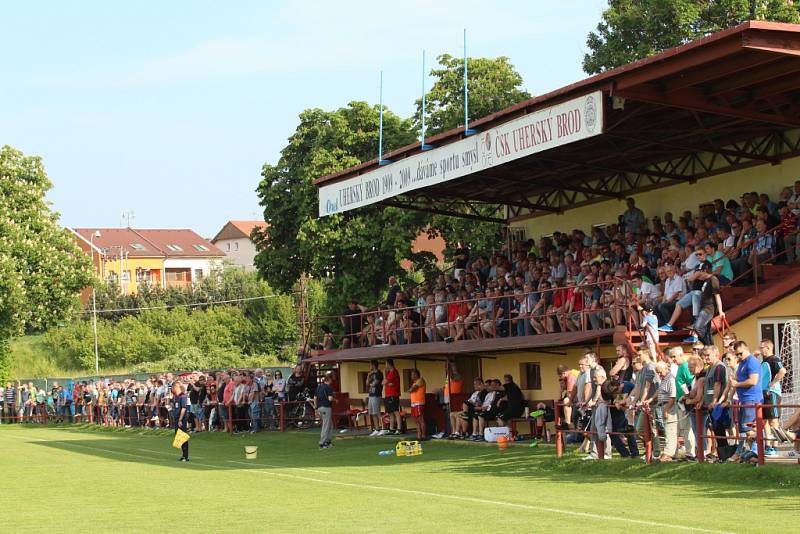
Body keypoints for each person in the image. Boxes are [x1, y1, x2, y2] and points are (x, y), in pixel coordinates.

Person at [729, 341, 763, 461]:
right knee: (745, 429)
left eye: (740, 353)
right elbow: (739, 379)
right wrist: (734, 380)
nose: (738, 356)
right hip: (744, 400)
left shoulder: (752, 361)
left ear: (746, 348)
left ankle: (758, 452)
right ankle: (752, 454)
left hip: (752, 398)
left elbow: (753, 381)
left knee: (750, 429)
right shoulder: (742, 362)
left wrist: (737, 383)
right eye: (736, 354)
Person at [760, 339, 786, 455]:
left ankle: (776, 446)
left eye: (762, 348)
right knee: (765, 421)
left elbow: (782, 371)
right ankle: (768, 445)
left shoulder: (774, 359)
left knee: (773, 421)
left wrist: (773, 383)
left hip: (772, 393)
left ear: (768, 348)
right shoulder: (763, 361)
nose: (760, 350)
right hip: (764, 393)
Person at [655, 361, 678, 462]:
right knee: (668, 430)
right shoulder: (664, 379)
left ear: (666, 369)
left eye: (660, 372)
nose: (659, 375)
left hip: (669, 407)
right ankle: (672, 453)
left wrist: (666, 410)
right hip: (663, 405)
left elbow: (672, 397)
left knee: (670, 430)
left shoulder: (670, 379)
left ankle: (668, 453)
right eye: (658, 373)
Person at [315, 372, 335, 449]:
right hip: (326, 407)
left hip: (319, 407)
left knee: (330, 425)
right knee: (326, 425)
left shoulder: (319, 387)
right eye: (331, 379)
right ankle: (322, 443)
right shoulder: (329, 387)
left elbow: (315, 398)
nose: (332, 381)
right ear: (329, 379)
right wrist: (334, 399)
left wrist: (316, 408)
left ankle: (328, 441)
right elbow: (330, 399)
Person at [382, 359, 402, 435]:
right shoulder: (389, 373)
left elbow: (384, 382)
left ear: (389, 364)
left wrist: (384, 374)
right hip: (388, 395)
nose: (385, 366)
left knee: (396, 411)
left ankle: (399, 428)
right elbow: (383, 383)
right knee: (390, 412)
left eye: (386, 364)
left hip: (393, 394)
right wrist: (387, 383)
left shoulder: (393, 371)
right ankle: (391, 428)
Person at [172, 382, 190, 462]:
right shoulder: (176, 397)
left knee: (183, 437)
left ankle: (186, 456)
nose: (172, 389)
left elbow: (183, 408)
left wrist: (180, 419)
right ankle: (183, 455)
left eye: (173, 387)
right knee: (178, 437)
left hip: (181, 419)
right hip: (176, 418)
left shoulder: (183, 396)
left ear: (176, 387)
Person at [408, 369, 427, 441]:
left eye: (413, 374)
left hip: (419, 402)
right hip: (413, 403)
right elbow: (411, 389)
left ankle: (423, 435)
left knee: (420, 419)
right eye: (411, 375)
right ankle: (419, 435)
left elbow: (412, 389)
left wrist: (411, 389)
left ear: (417, 374)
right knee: (416, 420)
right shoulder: (415, 382)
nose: (411, 376)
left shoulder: (420, 380)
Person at [366, 361, 384, 436]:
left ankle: (383, 428)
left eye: (370, 365)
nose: (369, 366)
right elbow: (367, 383)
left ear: (373, 365)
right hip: (371, 395)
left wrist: (371, 384)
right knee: (372, 413)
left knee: (377, 412)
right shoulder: (371, 374)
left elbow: (375, 383)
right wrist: (368, 376)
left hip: (376, 395)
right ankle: (377, 429)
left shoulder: (379, 373)